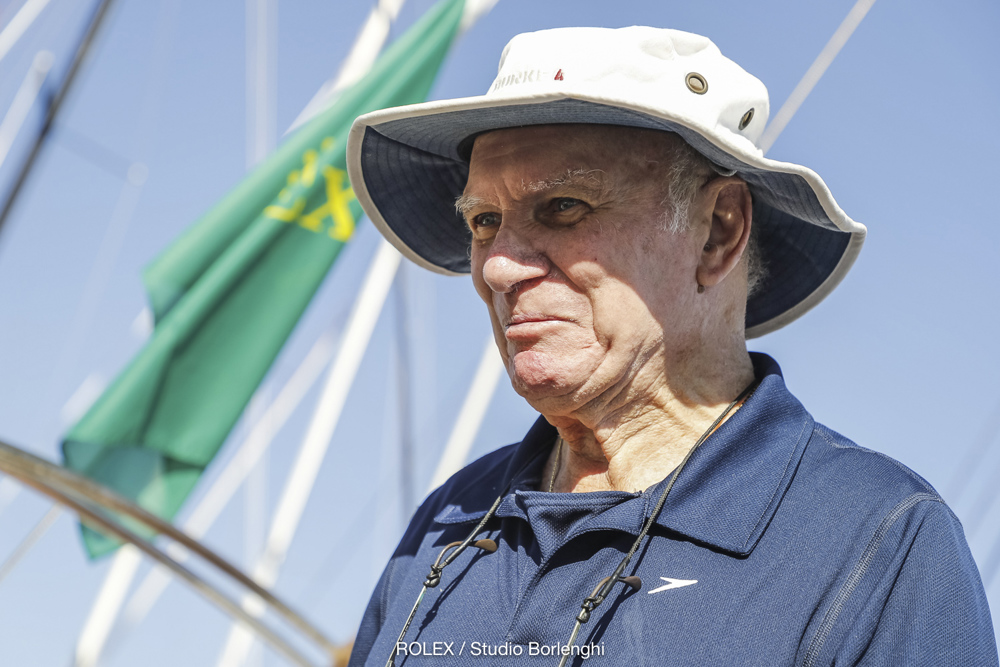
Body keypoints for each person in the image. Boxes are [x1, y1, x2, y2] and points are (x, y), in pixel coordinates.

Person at [343, 26, 997, 666]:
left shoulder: (877, 540)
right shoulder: (451, 520)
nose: (498, 268)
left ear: (718, 231)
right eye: (485, 220)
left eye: (564, 206)